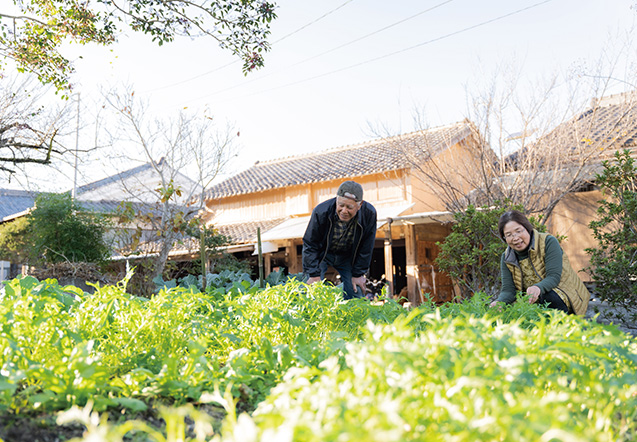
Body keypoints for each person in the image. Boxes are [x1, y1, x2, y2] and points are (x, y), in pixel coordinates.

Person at [489, 210, 590, 315]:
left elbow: (554, 277)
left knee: (549, 297)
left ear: (527, 229)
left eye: (518, 231)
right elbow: (508, 291)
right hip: (533, 298)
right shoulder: (507, 257)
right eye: (509, 235)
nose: (515, 238)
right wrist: (499, 302)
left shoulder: (548, 242)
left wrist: (538, 288)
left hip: (562, 291)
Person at [302, 180, 377, 300]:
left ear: (360, 205)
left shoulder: (369, 214)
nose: (344, 211)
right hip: (322, 254)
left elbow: (366, 247)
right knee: (311, 291)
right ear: (336, 199)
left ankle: (354, 317)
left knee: (355, 292)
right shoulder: (321, 212)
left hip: (347, 257)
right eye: (341, 205)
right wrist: (313, 274)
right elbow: (310, 244)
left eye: (349, 207)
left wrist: (358, 274)